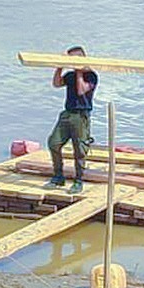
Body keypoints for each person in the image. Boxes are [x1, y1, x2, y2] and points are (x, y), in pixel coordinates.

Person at [44, 46, 98, 195]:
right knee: (54, 143)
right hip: (67, 114)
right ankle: (58, 176)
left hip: (81, 116)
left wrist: (79, 70)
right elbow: (56, 83)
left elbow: (81, 91)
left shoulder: (91, 75)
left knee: (79, 150)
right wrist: (59, 67)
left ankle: (78, 180)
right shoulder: (70, 75)